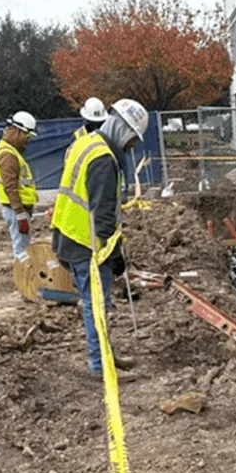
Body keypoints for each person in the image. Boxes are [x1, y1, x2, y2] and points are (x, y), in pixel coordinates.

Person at [52, 99, 150, 376]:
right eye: (133, 139)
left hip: (70, 236)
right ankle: (100, 366)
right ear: (122, 128)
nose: (132, 146)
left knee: (97, 303)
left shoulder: (87, 143)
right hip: (84, 242)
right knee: (97, 304)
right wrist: (115, 254)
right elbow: (103, 217)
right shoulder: (103, 160)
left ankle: (107, 355)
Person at [0, 111, 38, 262]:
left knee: (23, 249)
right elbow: (10, 186)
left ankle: (25, 280)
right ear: (18, 131)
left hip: (17, 210)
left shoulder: (10, 150)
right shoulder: (8, 155)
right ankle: (24, 282)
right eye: (28, 136)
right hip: (16, 210)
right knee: (21, 252)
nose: (28, 140)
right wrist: (20, 215)